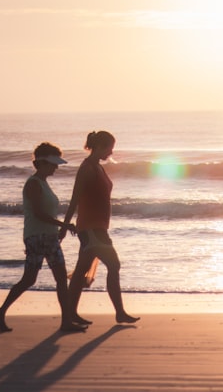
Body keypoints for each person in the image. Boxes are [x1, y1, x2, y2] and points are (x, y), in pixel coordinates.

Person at [0, 142, 87, 333]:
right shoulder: (34, 184)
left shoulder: (43, 183)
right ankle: (1, 312)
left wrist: (59, 228)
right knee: (30, 279)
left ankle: (66, 321)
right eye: (52, 163)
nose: (56, 167)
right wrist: (64, 225)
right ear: (41, 163)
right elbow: (38, 213)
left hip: (48, 236)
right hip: (37, 236)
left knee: (58, 277)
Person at [60, 130, 140, 325]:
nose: (111, 153)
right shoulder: (87, 168)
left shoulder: (97, 167)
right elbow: (75, 199)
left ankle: (70, 314)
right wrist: (64, 225)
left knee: (81, 271)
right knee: (113, 264)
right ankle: (119, 312)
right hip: (91, 228)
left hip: (97, 227)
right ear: (99, 147)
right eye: (109, 149)